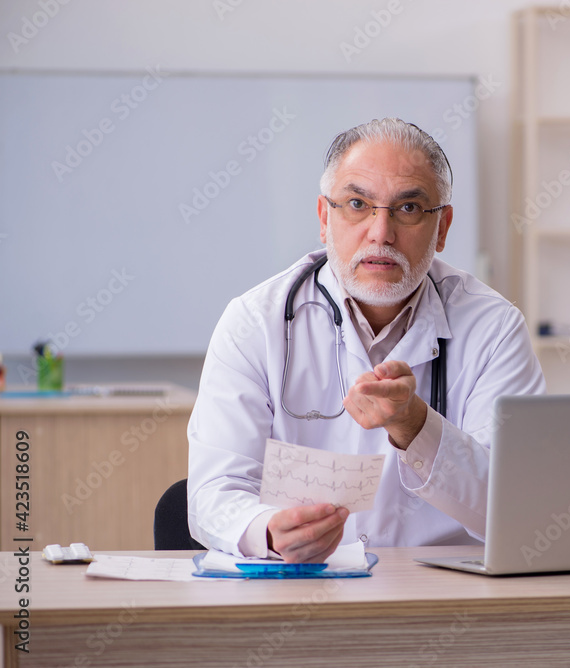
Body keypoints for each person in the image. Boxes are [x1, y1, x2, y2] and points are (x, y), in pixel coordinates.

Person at [187, 118, 545, 563]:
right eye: (358, 204)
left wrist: (416, 425)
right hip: (296, 588)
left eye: (409, 208)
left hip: (441, 598)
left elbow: (515, 508)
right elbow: (213, 494)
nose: (381, 233)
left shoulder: (493, 328)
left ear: (443, 227)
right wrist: (267, 532)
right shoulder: (254, 323)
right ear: (324, 217)